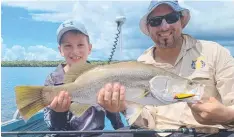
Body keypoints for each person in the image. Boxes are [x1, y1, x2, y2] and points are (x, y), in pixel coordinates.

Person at [96, 0, 234, 137]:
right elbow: (145, 121)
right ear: (148, 29)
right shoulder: (141, 64)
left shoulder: (214, 52)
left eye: (171, 18)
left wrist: (226, 115)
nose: (164, 27)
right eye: (155, 21)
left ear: (181, 20)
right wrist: (123, 107)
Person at [43, 19, 125, 137]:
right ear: (60, 50)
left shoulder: (101, 75)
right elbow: (53, 127)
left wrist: (120, 127)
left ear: (89, 48)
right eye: (68, 46)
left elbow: (112, 111)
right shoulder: (52, 80)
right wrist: (58, 113)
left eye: (80, 45)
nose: (75, 51)